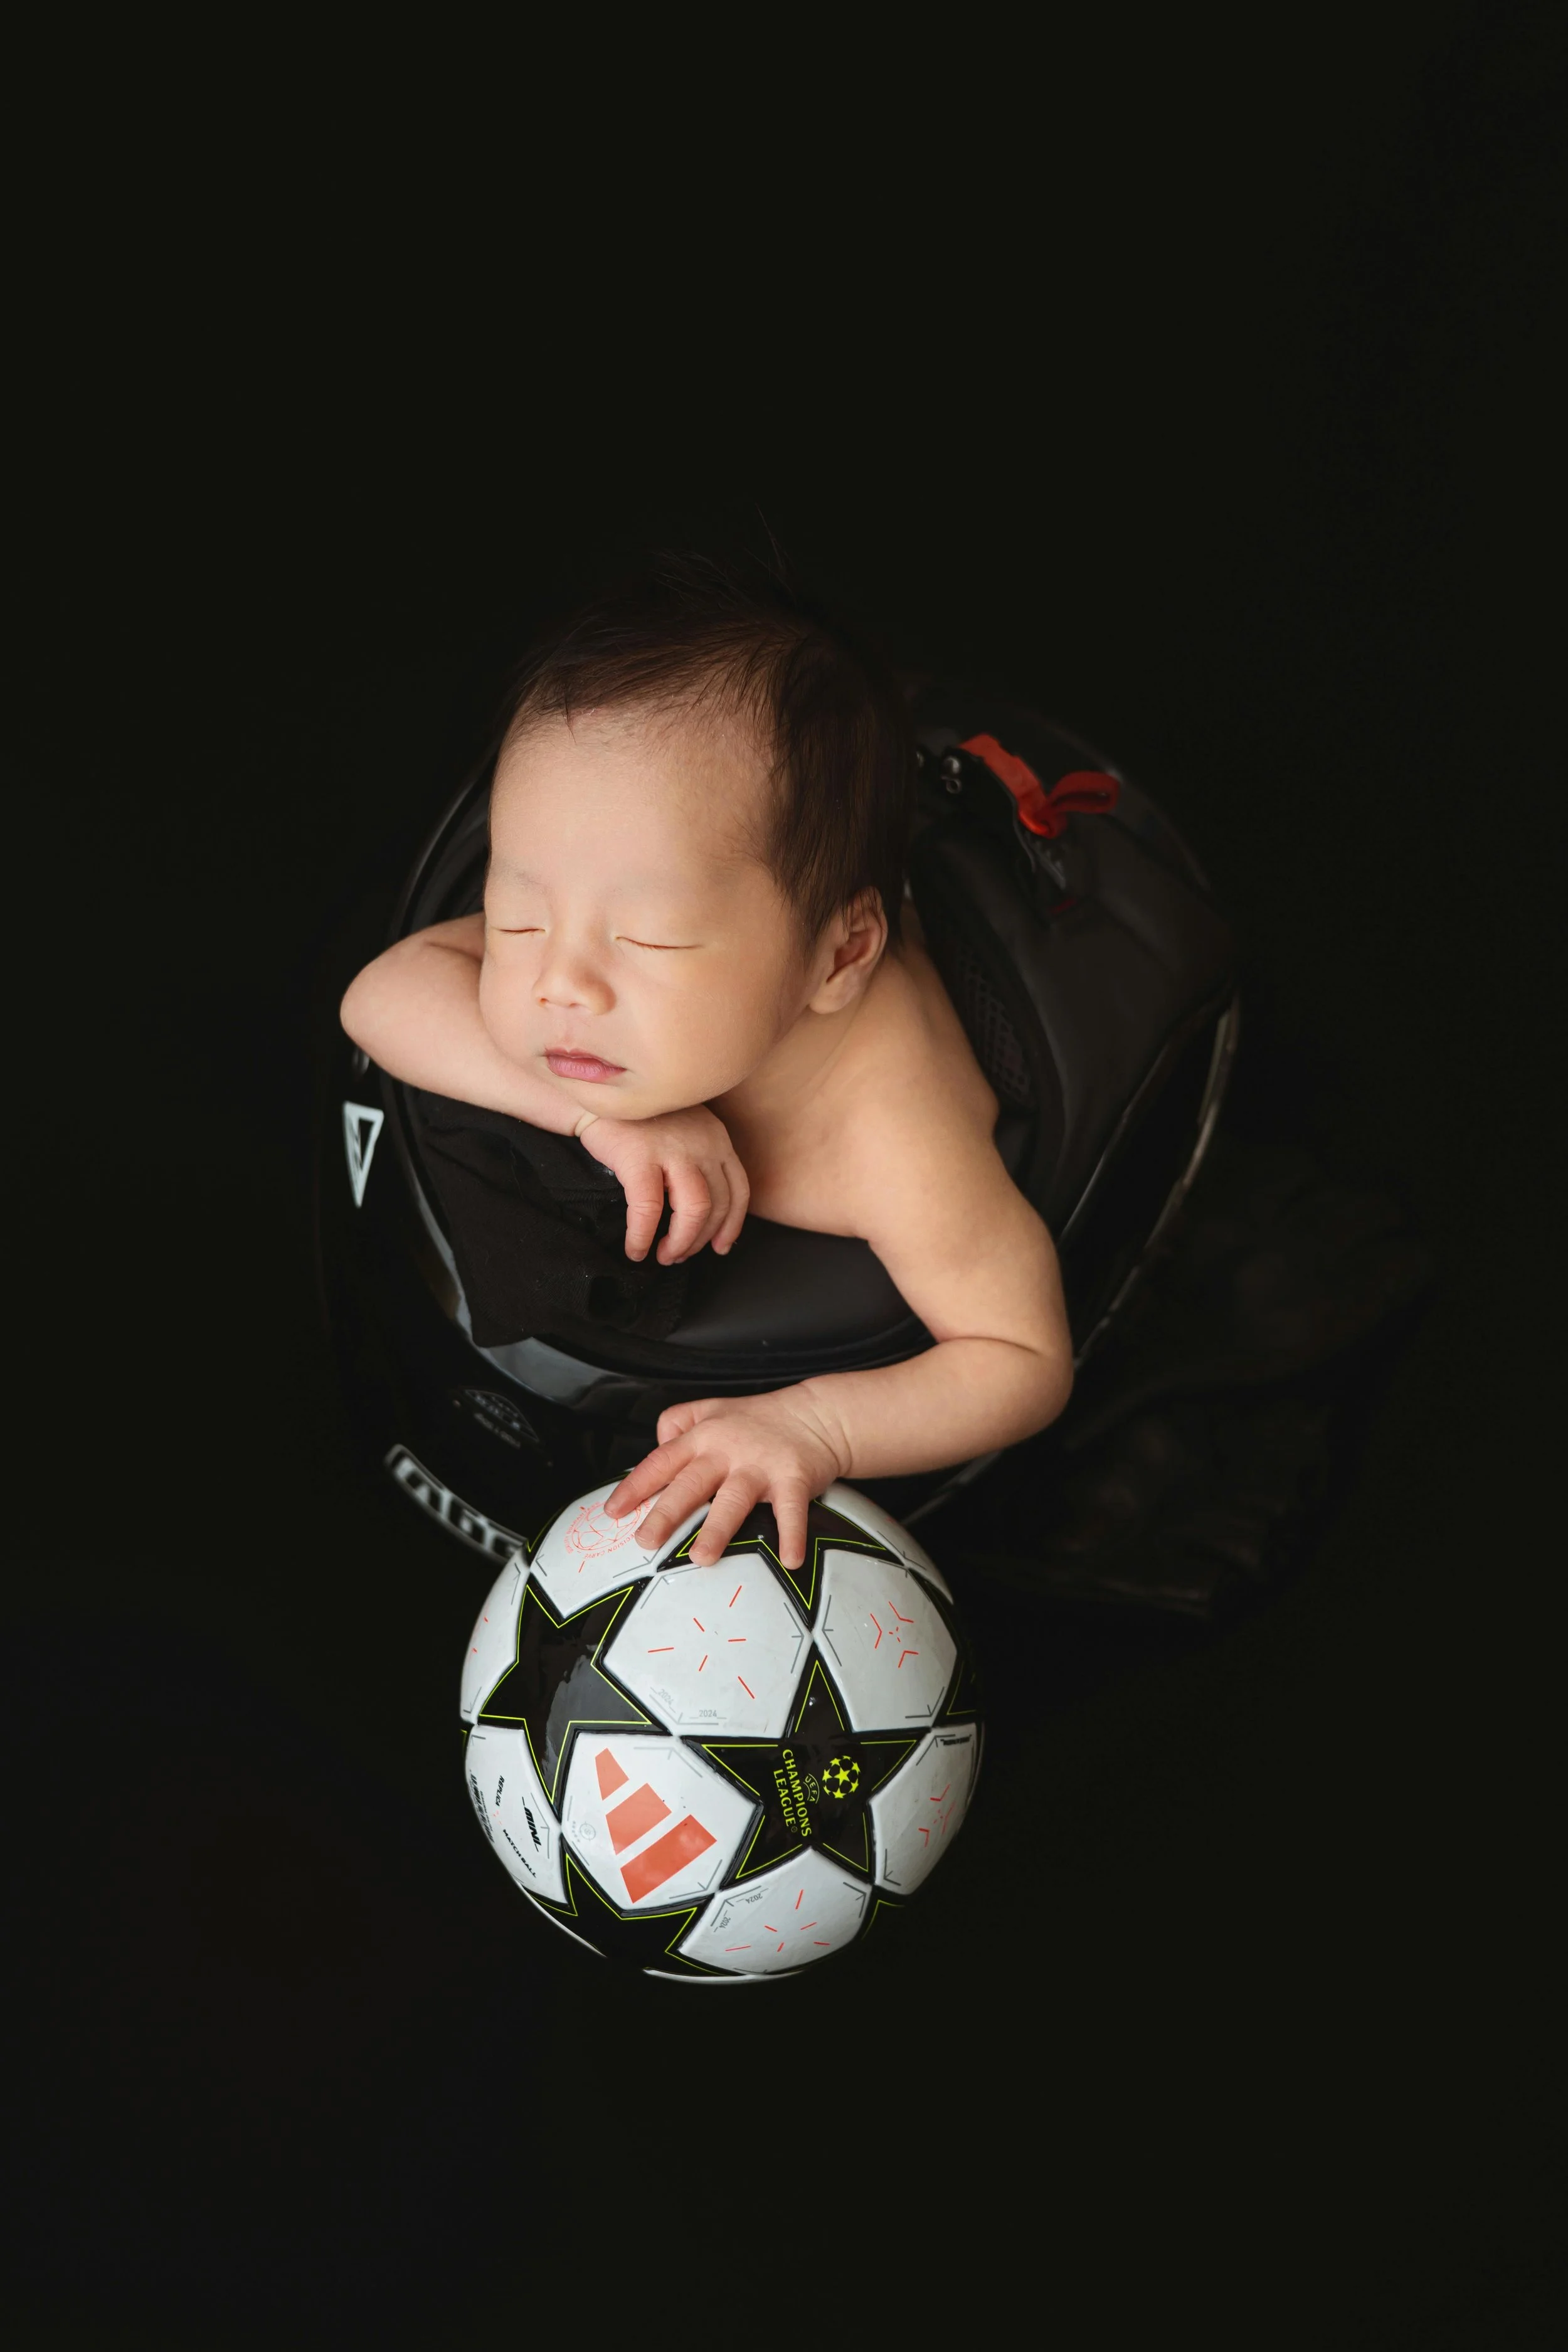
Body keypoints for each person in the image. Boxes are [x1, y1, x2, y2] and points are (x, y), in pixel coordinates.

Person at [341, 556, 1073, 1571]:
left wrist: (817, 1428)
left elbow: (1022, 1360)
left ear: (839, 958)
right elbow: (379, 995)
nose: (561, 984)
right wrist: (599, 1114)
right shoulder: (597, 938)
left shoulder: (887, 1135)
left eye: (647, 942)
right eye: (517, 914)